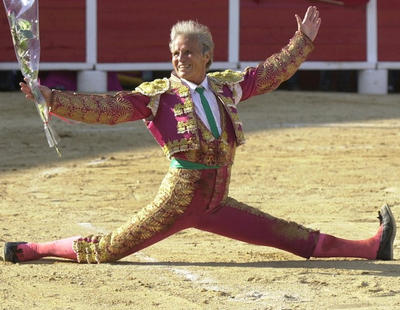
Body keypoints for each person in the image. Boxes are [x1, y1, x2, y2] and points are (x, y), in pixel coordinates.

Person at [4, 6, 396, 264]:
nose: (180, 58)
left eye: (189, 52)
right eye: (176, 52)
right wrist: (52, 98)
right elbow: (107, 108)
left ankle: (371, 247)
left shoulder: (227, 87)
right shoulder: (157, 96)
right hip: (176, 201)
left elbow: (270, 72)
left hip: (217, 202)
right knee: (107, 250)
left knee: (291, 236)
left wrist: (303, 42)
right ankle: (36, 248)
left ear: (207, 55)